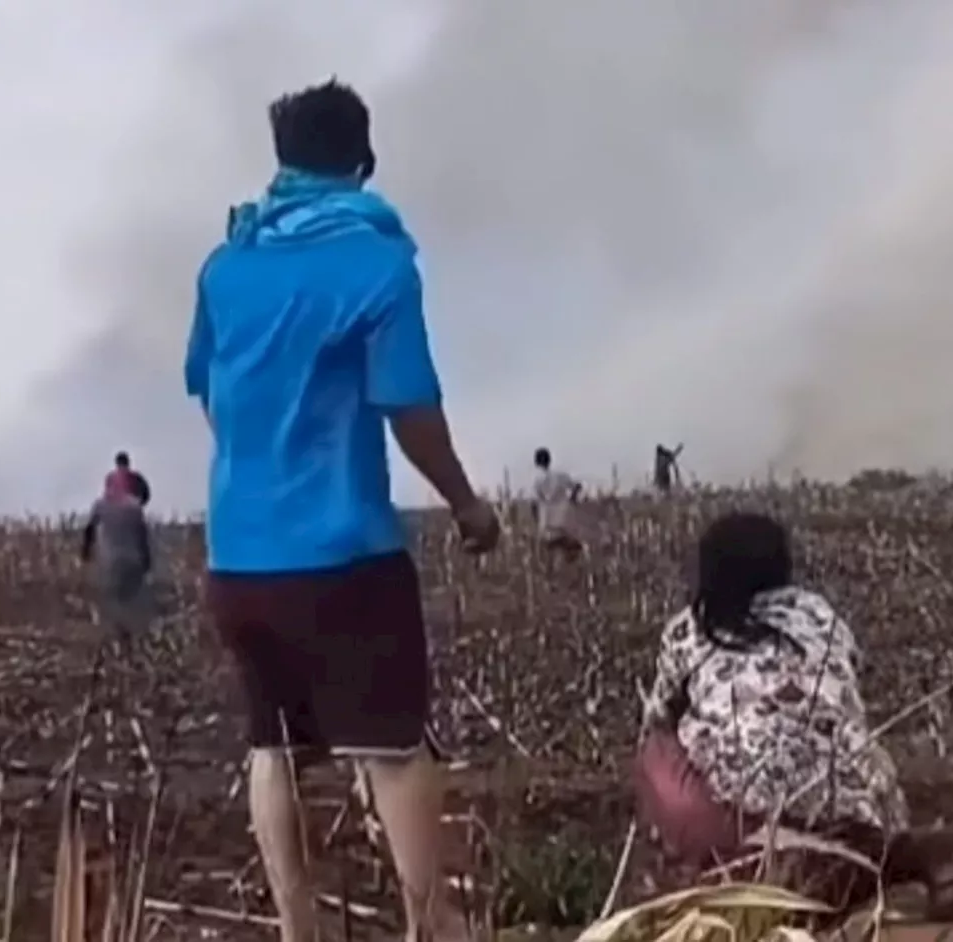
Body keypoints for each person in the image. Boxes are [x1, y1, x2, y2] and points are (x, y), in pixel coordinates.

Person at [183, 78, 500, 942]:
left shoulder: (227, 265)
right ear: (365, 161)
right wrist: (467, 505)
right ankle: (430, 922)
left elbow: (208, 392)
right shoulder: (379, 264)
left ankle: (298, 927)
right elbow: (410, 410)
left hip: (239, 559)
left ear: (282, 161)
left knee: (272, 743)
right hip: (344, 557)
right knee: (393, 750)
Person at [634, 512, 953, 923]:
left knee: (655, 747)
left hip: (754, 850)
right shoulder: (820, 615)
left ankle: (703, 875)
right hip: (857, 835)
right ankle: (915, 855)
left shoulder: (690, 628)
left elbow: (657, 715)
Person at [80, 476, 153, 649]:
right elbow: (143, 538)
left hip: (111, 561)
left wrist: (85, 552)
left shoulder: (100, 504)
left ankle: (120, 637)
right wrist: (147, 562)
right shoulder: (135, 506)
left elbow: (89, 530)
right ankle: (135, 638)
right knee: (131, 600)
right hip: (133, 561)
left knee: (114, 600)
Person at [533, 447, 583, 558]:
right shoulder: (561, 475)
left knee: (549, 554)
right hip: (564, 519)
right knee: (570, 551)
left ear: (536, 462)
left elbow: (537, 501)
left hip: (547, 521)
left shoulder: (537, 480)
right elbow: (577, 486)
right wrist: (572, 499)